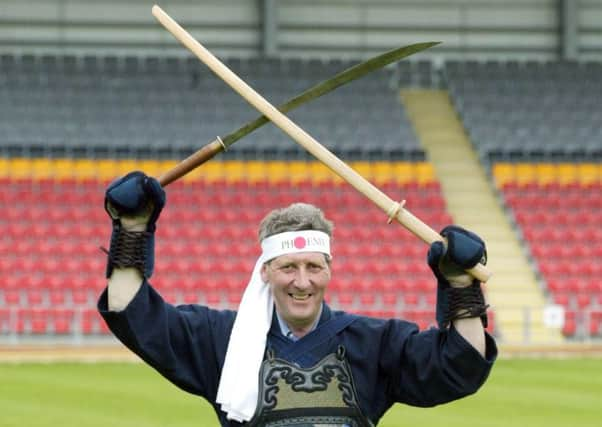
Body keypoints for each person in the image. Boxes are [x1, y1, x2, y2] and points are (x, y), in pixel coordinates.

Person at [98, 171, 497, 427]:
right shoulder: (222, 339)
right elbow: (133, 315)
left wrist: (461, 285)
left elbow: (459, 367)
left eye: (314, 266)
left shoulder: (374, 342)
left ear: (330, 269)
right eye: (288, 267)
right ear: (265, 271)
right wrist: (132, 230)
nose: (302, 281)